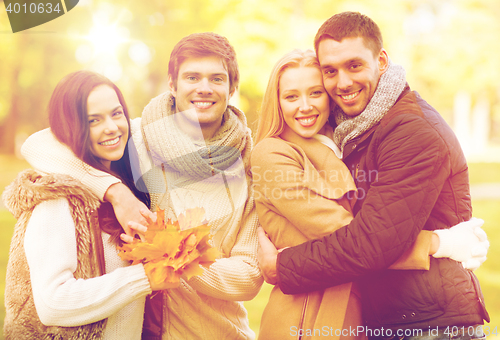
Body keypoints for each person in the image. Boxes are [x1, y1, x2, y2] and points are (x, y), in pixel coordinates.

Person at [257, 12, 489, 338]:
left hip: (430, 324)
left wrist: (282, 267)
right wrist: (442, 243)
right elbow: (360, 231)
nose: (343, 82)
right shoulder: (355, 131)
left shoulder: (410, 129)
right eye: (330, 71)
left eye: (354, 65)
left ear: (381, 60)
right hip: (387, 318)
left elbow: (369, 243)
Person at [21, 32, 263, 340]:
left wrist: (174, 255)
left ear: (232, 88)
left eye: (217, 78)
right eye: (192, 77)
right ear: (172, 85)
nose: (204, 88)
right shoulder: (137, 136)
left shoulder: (249, 166)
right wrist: (116, 192)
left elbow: (250, 275)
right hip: (142, 330)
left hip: (218, 332)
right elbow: (39, 144)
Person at [2, 70, 170, 340]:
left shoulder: (130, 180)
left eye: (116, 114)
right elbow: (53, 303)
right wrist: (145, 278)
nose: (112, 127)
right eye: (94, 120)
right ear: (71, 128)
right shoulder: (58, 198)